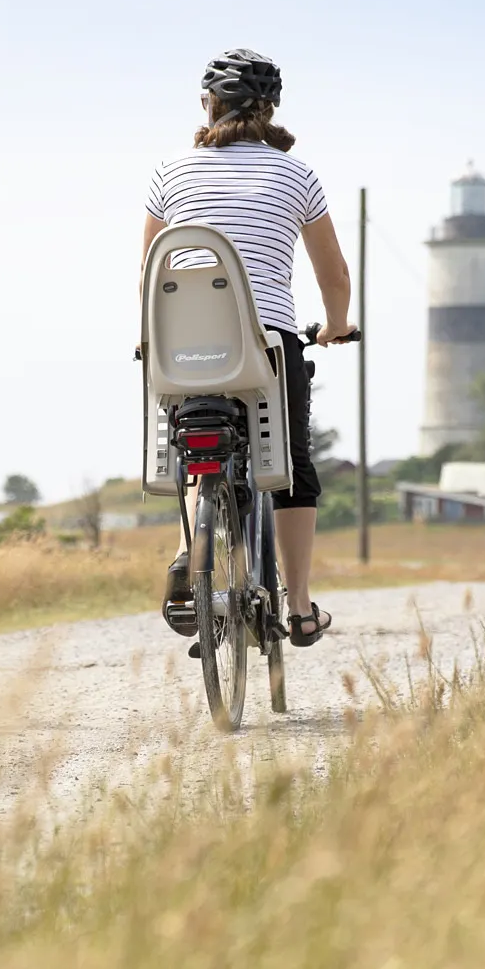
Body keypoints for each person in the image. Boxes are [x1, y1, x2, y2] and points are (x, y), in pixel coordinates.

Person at [141, 48, 353, 646]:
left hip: (180, 344)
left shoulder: (170, 172)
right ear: (270, 109)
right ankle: (302, 607)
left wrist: (149, 339)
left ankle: (190, 549)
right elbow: (334, 275)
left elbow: (149, 273)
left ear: (209, 104)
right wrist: (335, 326)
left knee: (193, 445)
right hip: (266, 346)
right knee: (290, 468)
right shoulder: (297, 175)